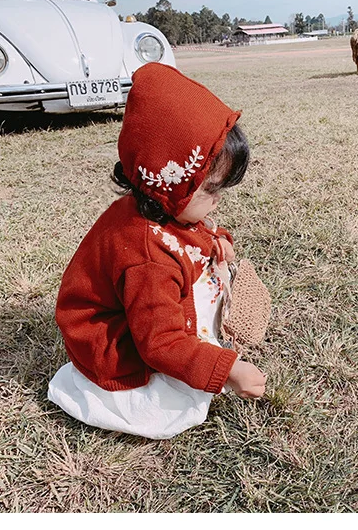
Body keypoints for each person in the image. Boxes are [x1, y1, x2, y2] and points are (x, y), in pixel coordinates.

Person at [47, 62, 266, 439]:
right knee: (175, 405)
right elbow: (159, 343)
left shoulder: (158, 205)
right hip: (117, 344)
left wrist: (217, 241)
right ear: (172, 183)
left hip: (140, 309)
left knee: (195, 286)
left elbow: (191, 231)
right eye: (210, 189)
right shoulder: (147, 259)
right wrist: (226, 371)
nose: (218, 200)